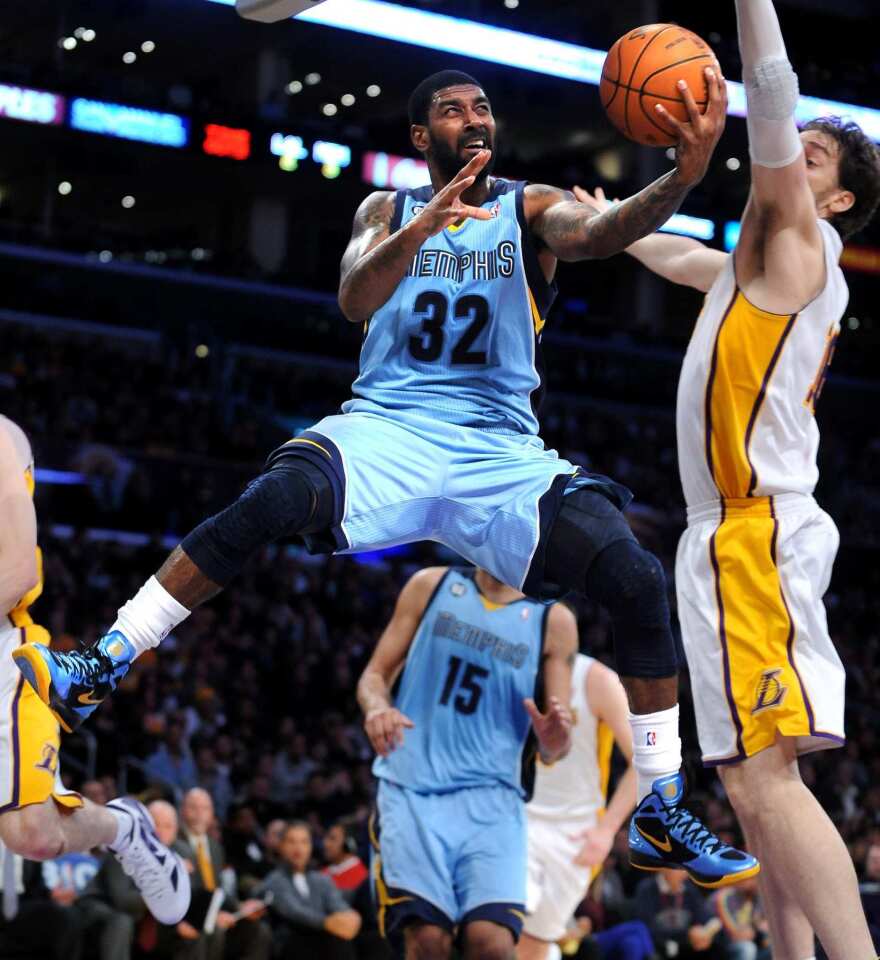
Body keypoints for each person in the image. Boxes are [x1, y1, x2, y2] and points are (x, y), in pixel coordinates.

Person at [16, 66, 754, 887]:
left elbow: (603, 231)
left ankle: (659, 805)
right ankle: (104, 661)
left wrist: (682, 177)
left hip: (496, 449)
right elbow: (353, 297)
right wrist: (426, 227)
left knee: (635, 575)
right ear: (420, 137)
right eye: (451, 110)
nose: (473, 119)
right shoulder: (387, 210)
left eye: (482, 107)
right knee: (269, 500)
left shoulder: (531, 206)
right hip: (387, 429)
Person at [573, 1, 880, 956]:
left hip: (754, 528)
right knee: (756, 792)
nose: (792, 160)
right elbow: (674, 254)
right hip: (726, 533)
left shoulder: (803, 244)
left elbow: (775, 101)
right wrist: (606, 224)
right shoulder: (752, 266)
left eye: (811, 161)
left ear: (831, 203)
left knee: (762, 784)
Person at [0, 414, 190, 928]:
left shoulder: (2, 437)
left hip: (6, 654)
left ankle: (122, 826)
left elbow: (17, 571)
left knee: (32, 835)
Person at [358, 565, 575, 959]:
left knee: (491, 943)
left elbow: (556, 744)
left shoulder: (554, 620)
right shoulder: (431, 584)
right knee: (428, 941)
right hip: (412, 789)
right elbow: (374, 675)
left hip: (492, 801)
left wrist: (555, 741)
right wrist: (377, 708)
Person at [518, 653, 636, 960]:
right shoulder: (510, 661)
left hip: (573, 833)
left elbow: (648, 763)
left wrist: (607, 831)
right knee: (497, 931)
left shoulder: (598, 681)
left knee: (534, 946)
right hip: (511, 818)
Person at [173, 787, 271, 960]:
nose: (198, 814)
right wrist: (211, 915)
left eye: (204, 808)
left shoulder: (216, 847)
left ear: (212, 814)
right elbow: (184, 894)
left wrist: (240, 907)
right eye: (193, 807)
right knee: (213, 929)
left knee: (259, 931)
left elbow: (217, 890)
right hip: (190, 918)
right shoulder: (173, 843)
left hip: (218, 913)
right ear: (182, 810)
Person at [260, 820, 362, 960]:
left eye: (304, 842)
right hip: (290, 943)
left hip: (323, 939)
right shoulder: (274, 880)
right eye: (291, 842)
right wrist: (328, 923)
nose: (298, 848)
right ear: (281, 846)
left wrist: (349, 915)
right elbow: (294, 911)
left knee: (348, 938)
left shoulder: (321, 879)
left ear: (311, 847)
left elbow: (336, 903)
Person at [634, 868, 724, 959]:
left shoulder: (688, 889)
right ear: (663, 868)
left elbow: (705, 917)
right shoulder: (647, 890)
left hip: (688, 945)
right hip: (661, 946)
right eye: (679, 869)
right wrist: (687, 934)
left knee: (715, 947)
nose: (684, 874)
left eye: (686, 870)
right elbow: (646, 928)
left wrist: (706, 933)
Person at [323, 822, 369, 897]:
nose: (326, 843)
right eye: (326, 838)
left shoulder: (362, 877)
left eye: (332, 839)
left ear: (348, 844)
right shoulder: (323, 874)